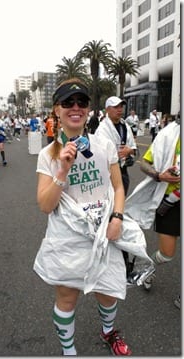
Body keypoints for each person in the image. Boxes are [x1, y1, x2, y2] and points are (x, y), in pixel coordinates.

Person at [33, 78, 151, 356]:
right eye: (68, 102)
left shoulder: (104, 145)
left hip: (105, 232)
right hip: (68, 238)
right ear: (57, 110)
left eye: (82, 102)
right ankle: (68, 350)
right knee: (67, 297)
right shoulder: (47, 155)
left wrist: (118, 218)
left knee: (108, 292)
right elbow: (45, 205)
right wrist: (62, 171)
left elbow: (118, 186)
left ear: (88, 109)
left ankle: (108, 332)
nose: (76, 107)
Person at [125, 117, 180, 305]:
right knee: (166, 254)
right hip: (171, 202)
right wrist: (159, 175)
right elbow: (144, 163)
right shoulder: (168, 133)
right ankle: (148, 267)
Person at [95, 96, 137, 196]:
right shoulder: (102, 130)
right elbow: (100, 155)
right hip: (108, 173)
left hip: (123, 170)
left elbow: (134, 148)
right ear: (107, 110)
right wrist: (115, 155)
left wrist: (129, 151)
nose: (119, 110)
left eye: (121, 107)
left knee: (121, 198)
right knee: (110, 202)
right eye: (116, 107)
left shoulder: (125, 126)